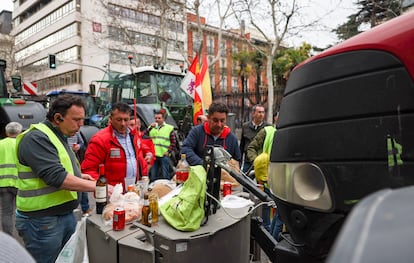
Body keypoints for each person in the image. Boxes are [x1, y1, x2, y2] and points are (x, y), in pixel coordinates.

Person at [15, 94, 96, 263]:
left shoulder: (58, 135)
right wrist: (97, 187)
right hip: (42, 221)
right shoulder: (37, 137)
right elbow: (56, 176)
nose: (81, 125)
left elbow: (58, 167)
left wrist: (79, 176)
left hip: (61, 214)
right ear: (58, 118)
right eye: (76, 120)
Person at [82, 102, 148, 191]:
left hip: (134, 191)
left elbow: (139, 158)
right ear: (111, 119)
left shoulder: (134, 136)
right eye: (119, 120)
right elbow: (89, 170)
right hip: (112, 195)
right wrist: (104, 189)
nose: (123, 124)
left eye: (126, 120)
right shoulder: (100, 140)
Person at [247, 124, 283, 240]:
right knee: (273, 214)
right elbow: (250, 148)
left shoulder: (288, 134)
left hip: (279, 181)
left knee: (278, 215)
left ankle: (270, 245)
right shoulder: (267, 131)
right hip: (266, 181)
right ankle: (271, 247)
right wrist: (258, 164)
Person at [0, 122, 23, 236]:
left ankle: (8, 237)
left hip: (3, 183)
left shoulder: (0, 144)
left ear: (6, 132)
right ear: (20, 132)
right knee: (23, 211)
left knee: (6, 212)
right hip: (21, 183)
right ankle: (23, 235)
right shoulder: (22, 144)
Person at [239, 104, 270, 174]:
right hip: (248, 162)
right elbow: (242, 145)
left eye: (263, 112)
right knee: (245, 181)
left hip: (262, 162)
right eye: (259, 112)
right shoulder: (245, 126)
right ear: (253, 114)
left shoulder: (268, 127)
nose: (261, 114)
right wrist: (239, 162)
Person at [146, 109, 176, 181]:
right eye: (156, 118)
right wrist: (149, 128)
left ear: (163, 118)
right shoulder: (152, 128)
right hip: (154, 155)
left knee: (165, 175)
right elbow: (144, 136)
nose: (157, 120)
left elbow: (173, 142)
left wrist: (168, 151)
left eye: (159, 118)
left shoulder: (169, 128)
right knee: (153, 175)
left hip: (164, 154)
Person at [68, 131, 92, 216]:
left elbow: (82, 143)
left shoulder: (76, 132)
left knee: (80, 182)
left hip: (74, 158)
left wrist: (78, 146)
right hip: (64, 159)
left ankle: (85, 208)